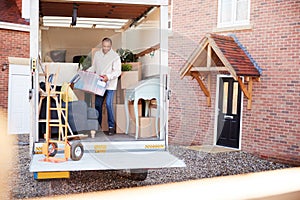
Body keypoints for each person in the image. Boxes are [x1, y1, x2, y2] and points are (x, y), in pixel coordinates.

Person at [87, 37, 121, 135]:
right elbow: (94, 67)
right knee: (98, 105)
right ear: (102, 45)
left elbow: (118, 71)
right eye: (104, 46)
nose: (106, 48)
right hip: (99, 84)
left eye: (108, 47)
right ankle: (98, 127)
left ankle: (111, 127)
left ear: (111, 46)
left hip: (110, 85)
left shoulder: (115, 56)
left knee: (109, 104)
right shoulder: (97, 54)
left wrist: (108, 77)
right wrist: (86, 72)